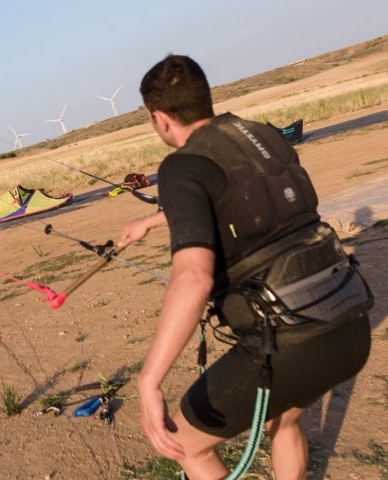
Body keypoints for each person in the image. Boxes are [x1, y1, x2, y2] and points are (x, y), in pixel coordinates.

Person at [118, 55, 373, 479]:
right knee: (283, 419)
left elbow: (194, 277)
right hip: (349, 323)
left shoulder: (181, 166)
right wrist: (153, 219)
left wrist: (149, 381)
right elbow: (243, 196)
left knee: (184, 445)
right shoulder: (259, 135)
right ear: (204, 97)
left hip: (290, 342)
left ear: (159, 118)